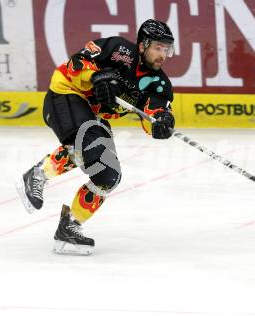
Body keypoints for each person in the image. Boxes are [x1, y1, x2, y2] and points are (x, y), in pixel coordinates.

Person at [16, 19, 176, 255]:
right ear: (142, 46)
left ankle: (69, 226)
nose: (163, 55)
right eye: (158, 48)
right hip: (66, 94)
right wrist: (95, 78)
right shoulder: (118, 49)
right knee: (87, 142)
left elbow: (154, 113)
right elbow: (76, 62)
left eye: (166, 49)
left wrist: (162, 123)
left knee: (108, 175)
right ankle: (38, 174)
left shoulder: (158, 84)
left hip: (91, 115)